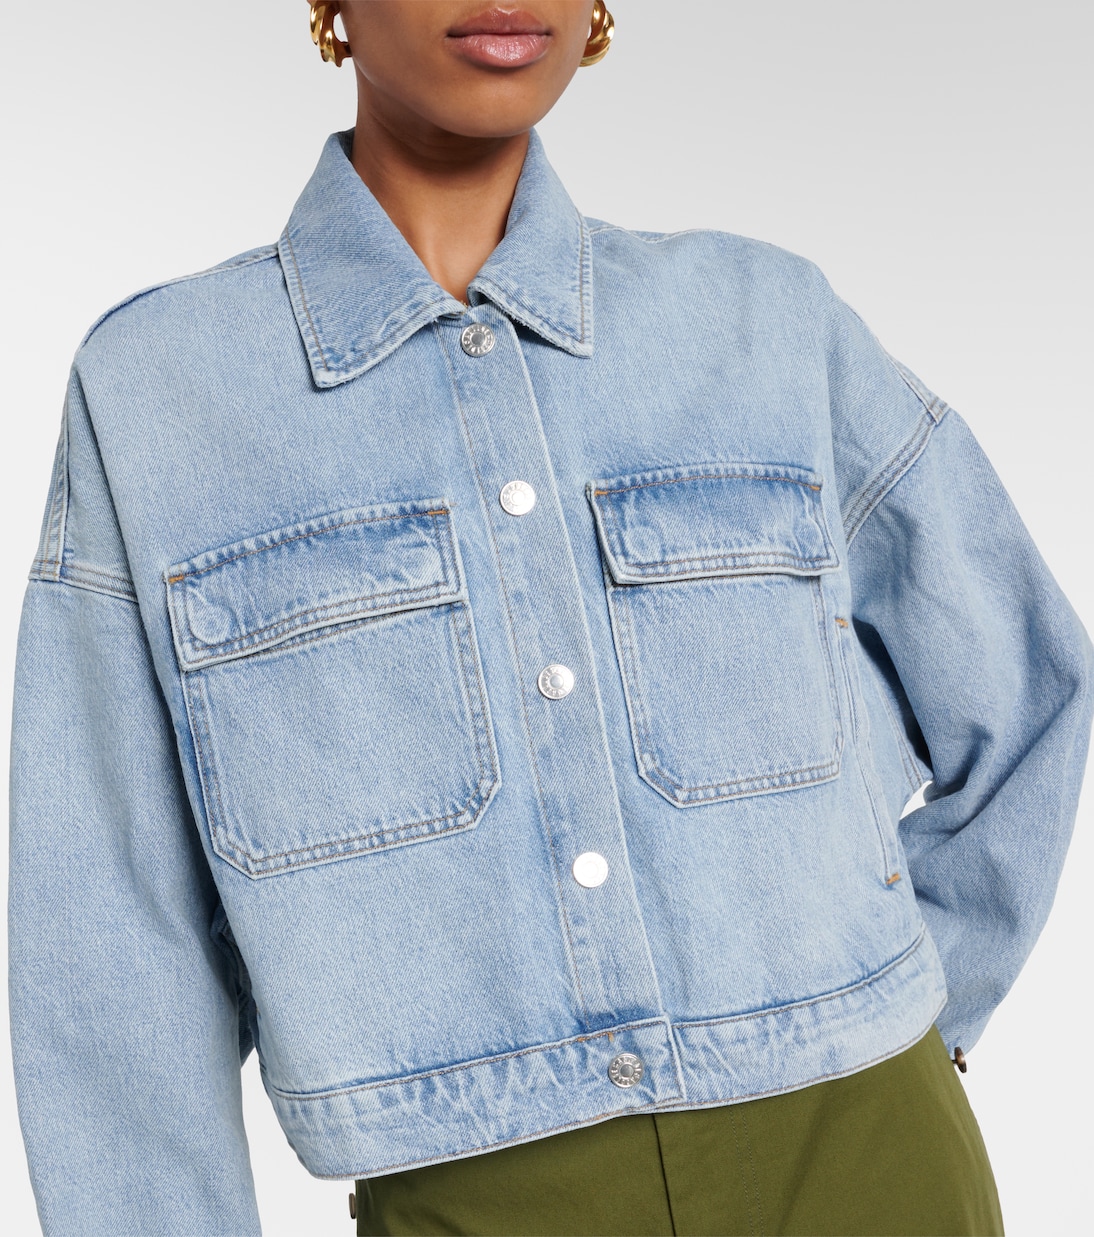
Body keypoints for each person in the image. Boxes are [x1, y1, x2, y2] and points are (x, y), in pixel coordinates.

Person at [8, 2, 1092, 1234]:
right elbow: (110, 944)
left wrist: (908, 1005)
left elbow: (1026, 686)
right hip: (478, 1200)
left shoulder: (766, 326)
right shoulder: (159, 396)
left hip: (872, 1155)